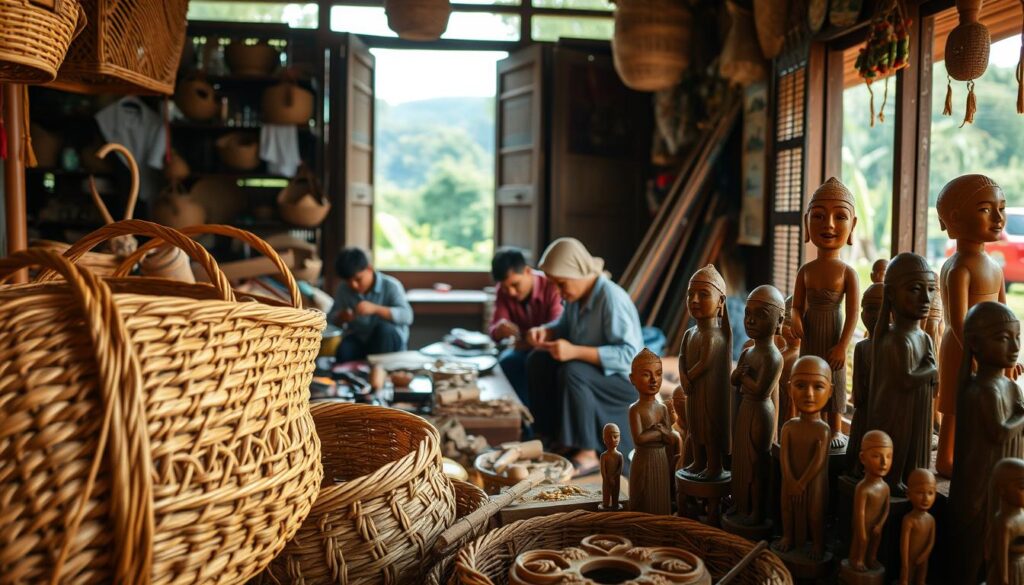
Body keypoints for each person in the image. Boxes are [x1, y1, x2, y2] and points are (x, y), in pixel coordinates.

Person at [526, 237, 643, 477]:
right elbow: (565, 326)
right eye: (553, 285)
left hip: (623, 382)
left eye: (561, 284)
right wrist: (547, 331)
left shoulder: (611, 298)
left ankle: (588, 452)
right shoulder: (575, 298)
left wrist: (575, 351)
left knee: (573, 371)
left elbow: (630, 356)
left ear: (578, 272)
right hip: (593, 373)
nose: (558, 292)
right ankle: (555, 437)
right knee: (538, 360)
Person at [488, 247, 563, 405]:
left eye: (515, 284)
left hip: (547, 349)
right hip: (521, 349)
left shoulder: (551, 286)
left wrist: (525, 342)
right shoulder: (503, 291)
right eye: (505, 287)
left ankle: (534, 423)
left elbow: (556, 329)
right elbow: (494, 329)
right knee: (506, 361)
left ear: (528, 271)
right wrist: (500, 329)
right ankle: (520, 419)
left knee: (534, 362)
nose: (511, 293)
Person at [327, 247, 413, 362]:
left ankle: (381, 373)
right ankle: (346, 379)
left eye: (358, 279)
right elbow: (330, 321)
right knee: (344, 350)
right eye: (348, 282)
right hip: (361, 340)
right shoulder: (343, 289)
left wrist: (376, 309)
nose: (354, 285)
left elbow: (407, 316)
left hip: (388, 342)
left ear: (370, 269)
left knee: (384, 330)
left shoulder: (391, 285)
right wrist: (341, 317)